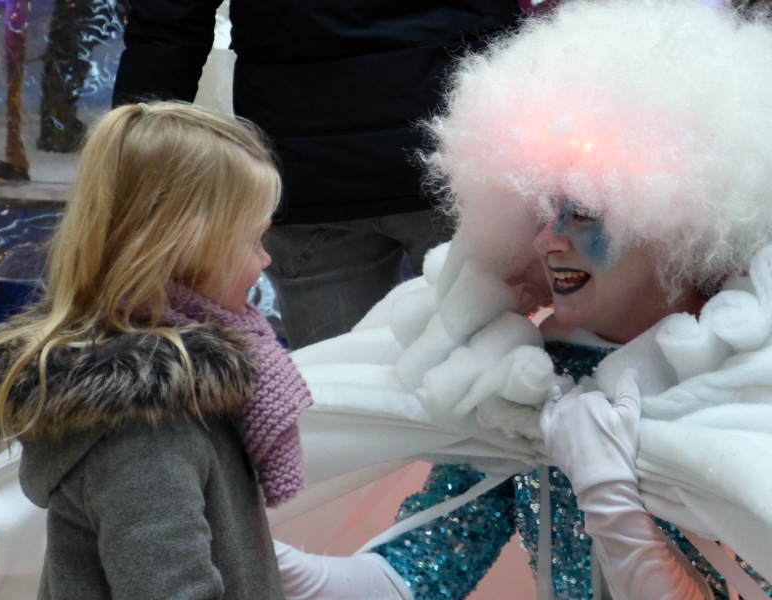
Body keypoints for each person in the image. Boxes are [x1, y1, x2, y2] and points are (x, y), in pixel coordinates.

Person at [272, 1, 772, 598]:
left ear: (677, 222)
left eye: (582, 211)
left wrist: (612, 501)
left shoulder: (747, 384)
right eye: (540, 209)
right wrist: (261, 555)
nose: (546, 240)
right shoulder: (525, 379)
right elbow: (418, 572)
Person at [0, 101, 313, 599]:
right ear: (186, 245)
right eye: (253, 239)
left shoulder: (188, 393)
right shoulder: (145, 432)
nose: (264, 259)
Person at [111, 0, 526, 349]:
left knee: (338, 398)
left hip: (306, 160)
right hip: (457, 143)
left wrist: (134, 173)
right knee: (487, 385)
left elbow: (168, 25)